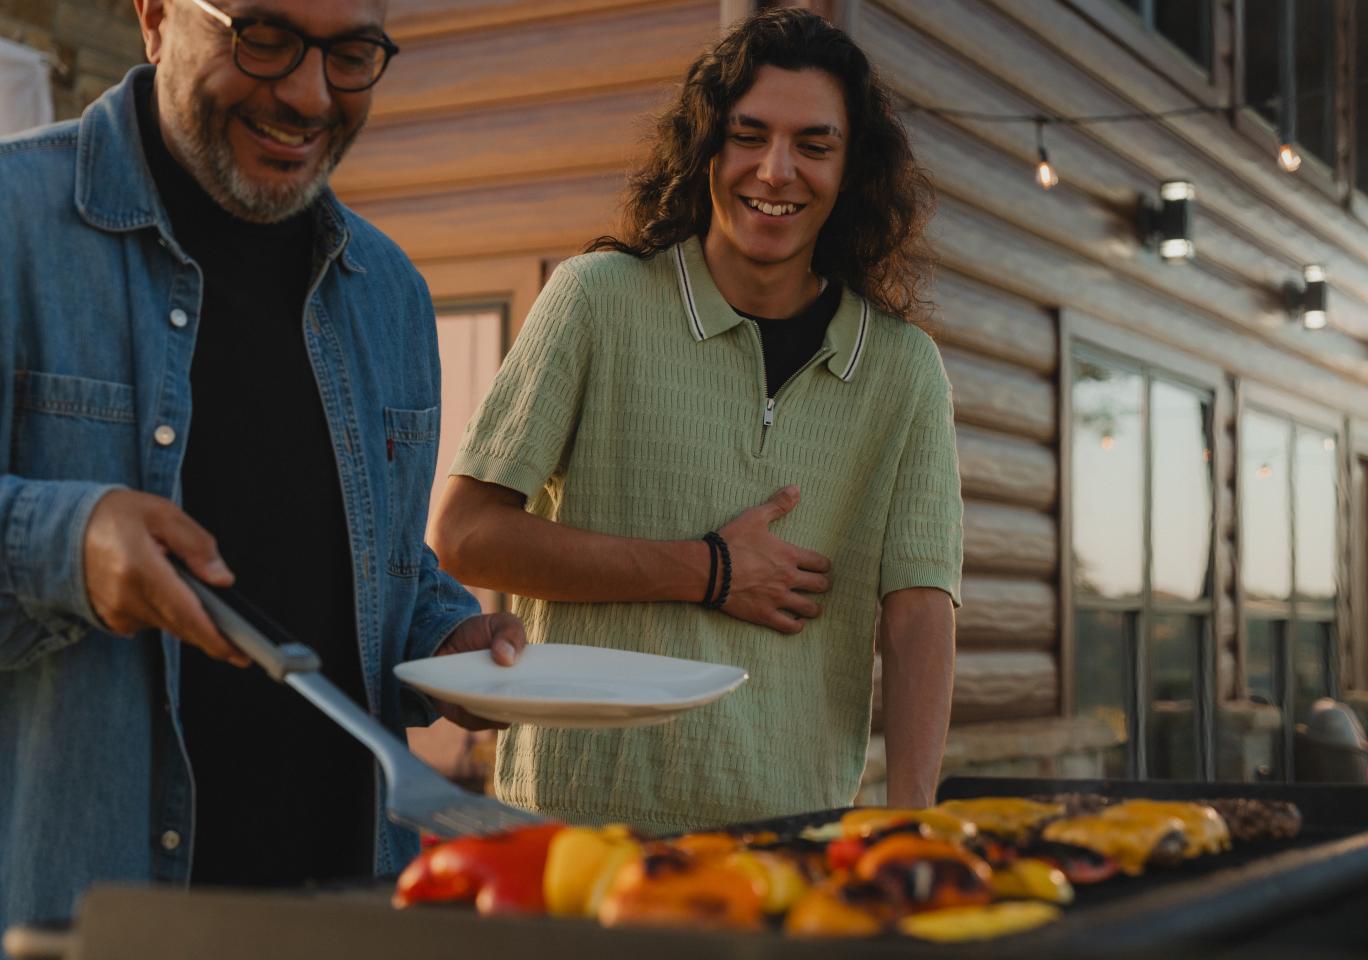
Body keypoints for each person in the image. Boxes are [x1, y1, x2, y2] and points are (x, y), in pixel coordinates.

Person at [0, 0, 523, 935]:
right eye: (265, 38)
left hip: (352, 916)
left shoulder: (391, 290)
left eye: (352, 53)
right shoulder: (13, 224)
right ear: (157, 17)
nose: (308, 94)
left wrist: (446, 642)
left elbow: (383, 572)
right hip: (84, 925)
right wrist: (65, 544)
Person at [433, 8, 962, 835]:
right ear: (706, 147)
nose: (775, 170)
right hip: (577, 830)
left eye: (813, 146)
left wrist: (913, 827)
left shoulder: (903, 370)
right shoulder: (595, 301)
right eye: (748, 135)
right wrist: (706, 570)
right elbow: (466, 535)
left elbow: (920, 608)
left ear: (851, 168)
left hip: (795, 840)